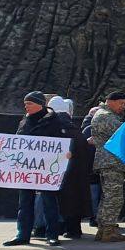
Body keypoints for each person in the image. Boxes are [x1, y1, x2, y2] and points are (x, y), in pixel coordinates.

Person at [3, 92, 72, 247]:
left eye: (29, 103)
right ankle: (23, 235)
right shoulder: (24, 121)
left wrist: (66, 153)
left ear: (40, 104)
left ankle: (52, 235)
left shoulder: (54, 121)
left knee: (49, 203)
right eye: (25, 103)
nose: (26, 106)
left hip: (46, 171)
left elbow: (61, 143)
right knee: (25, 204)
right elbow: (17, 140)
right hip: (27, 171)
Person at [87, 92, 125, 243]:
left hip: (109, 162)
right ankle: (109, 230)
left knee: (108, 197)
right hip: (110, 162)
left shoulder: (105, 114)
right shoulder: (105, 116)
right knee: (114, 197)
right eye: (120, 103)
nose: (123, 106)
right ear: (110, 102)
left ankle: (104, 229)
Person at [50, 96, 91, 240]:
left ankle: (55, 229)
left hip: (57, 172)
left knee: (57, 201)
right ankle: (74, 229)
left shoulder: (52, 126)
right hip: (77, 173)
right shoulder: (74, 129)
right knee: (74, 200)